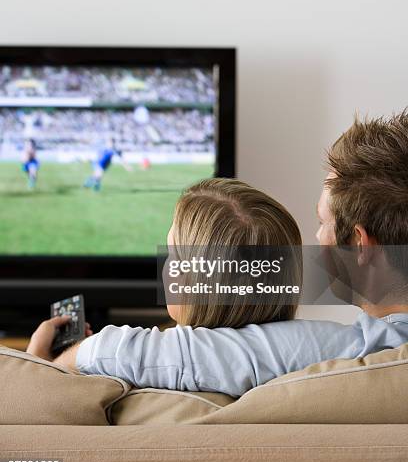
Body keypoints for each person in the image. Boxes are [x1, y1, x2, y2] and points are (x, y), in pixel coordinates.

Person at [27, 112, 408, 397]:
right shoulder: (359, 355)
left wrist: (48, 368)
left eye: (322, 222)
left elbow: (137, 352)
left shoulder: (374, 353)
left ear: (359, 245)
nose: (316, 237)